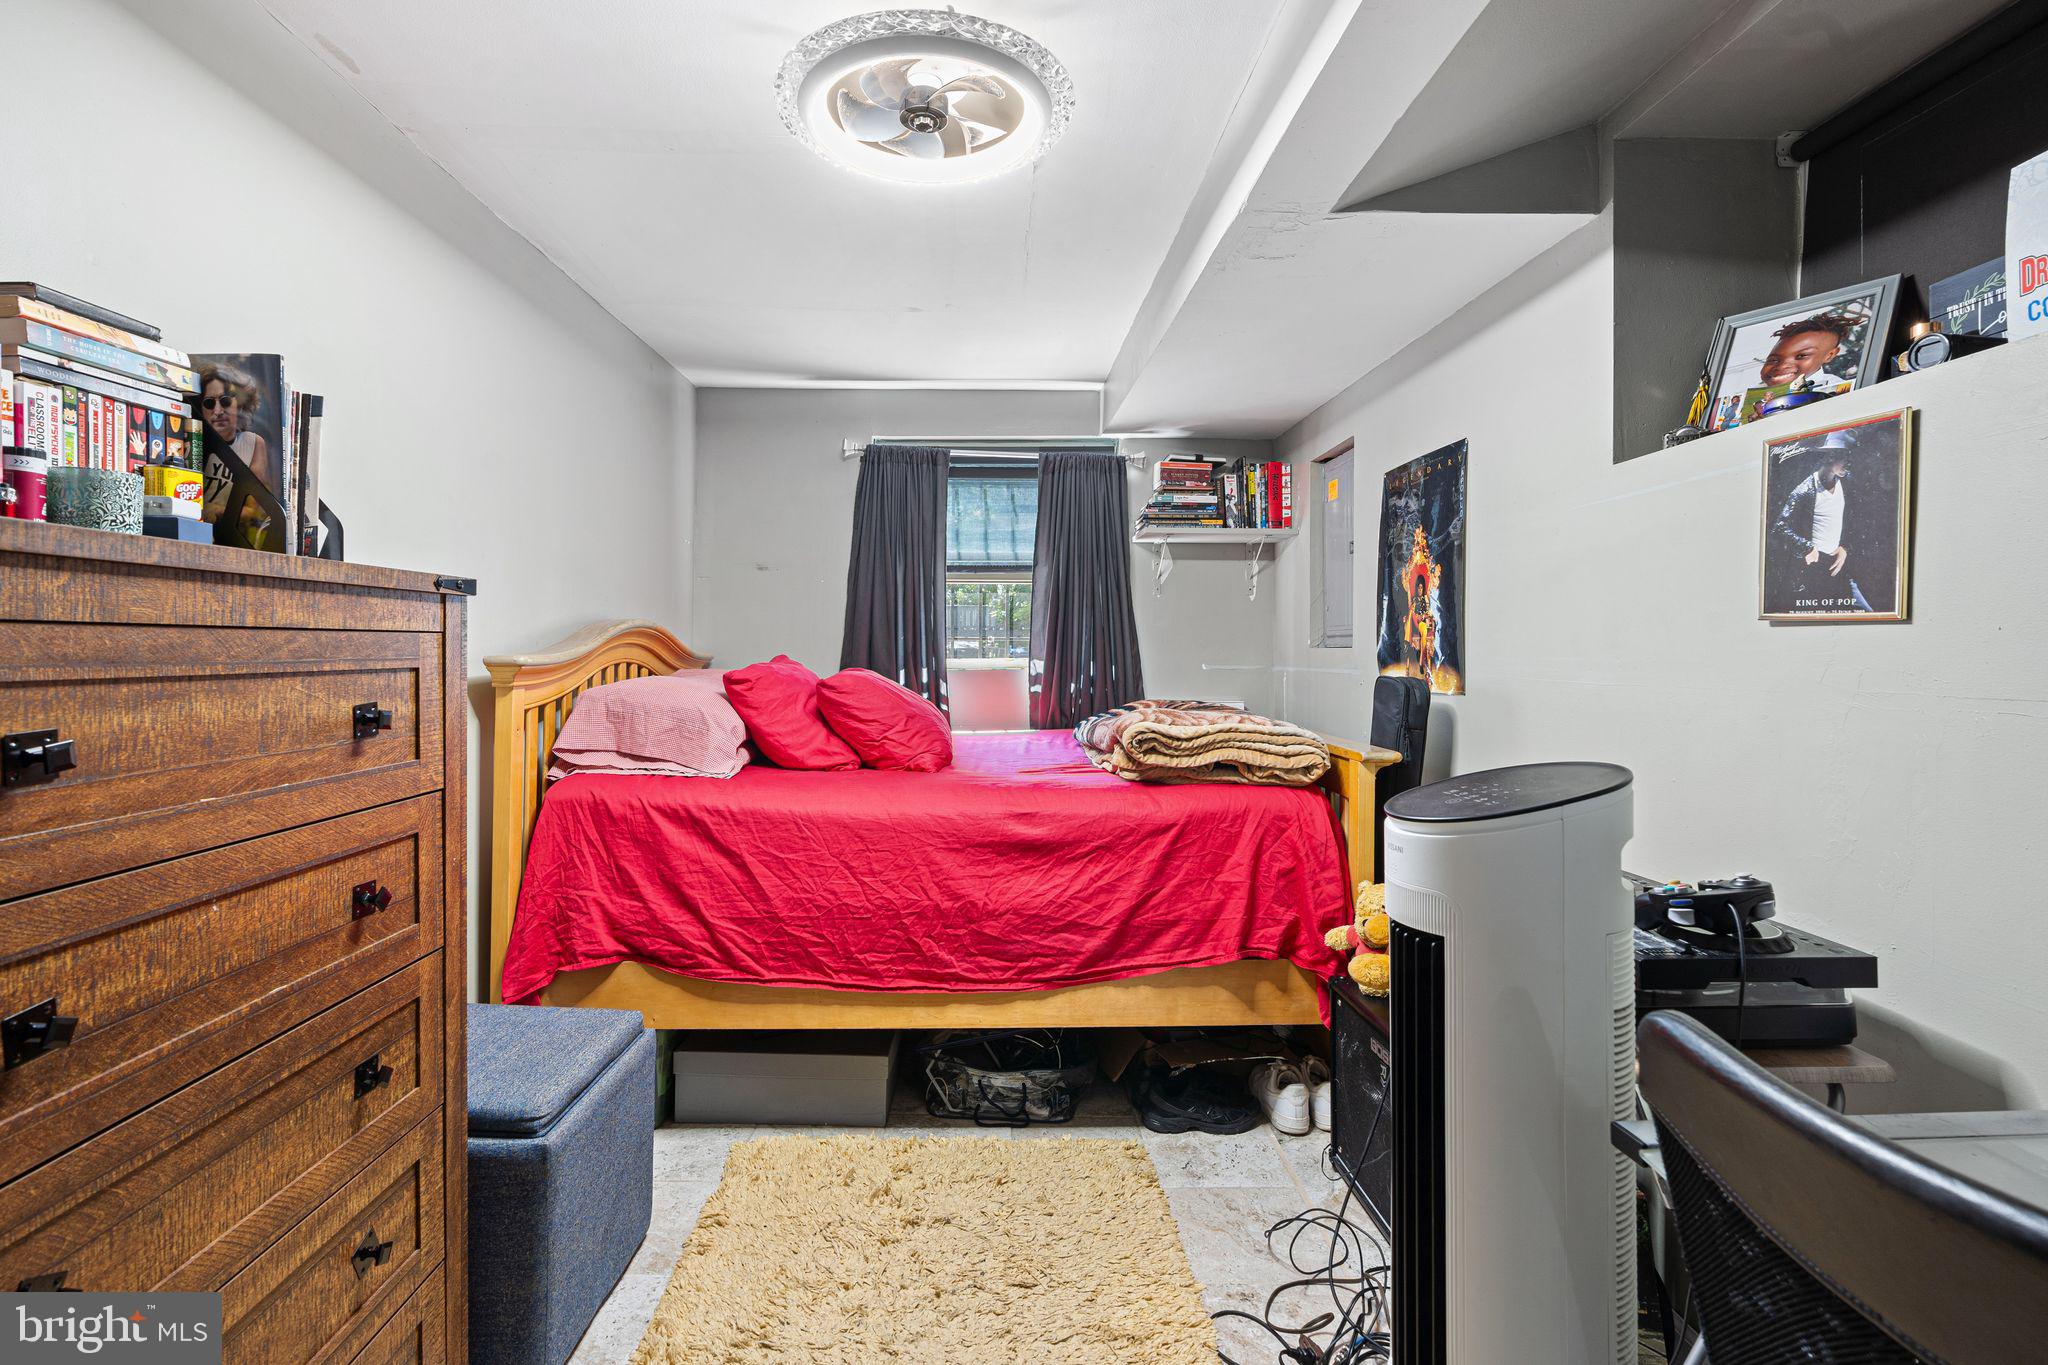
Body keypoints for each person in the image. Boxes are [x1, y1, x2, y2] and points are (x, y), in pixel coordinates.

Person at [1769, 429, 1872, 613]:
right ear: (1830, 457)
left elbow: (1855, 520)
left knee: (1866, 614)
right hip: (1811, 571)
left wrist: (1845, 548)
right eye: (1845, 457)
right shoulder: (1804, 490)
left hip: (1839, 567)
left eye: (1850, 457)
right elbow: (1779, 527)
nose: (1849, 463)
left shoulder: (1847, 483)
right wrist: (1807, 547)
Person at [1756, 312, 1859, 392]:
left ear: (1829, 355)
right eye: (1773, 360)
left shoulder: (1835, 388)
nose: (1782, 366)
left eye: (1801, 356)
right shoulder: (1752, 393)